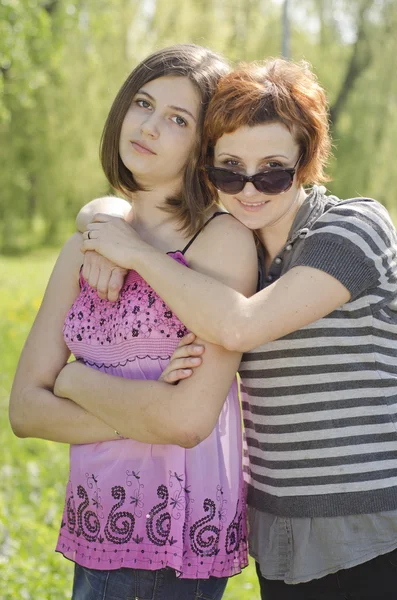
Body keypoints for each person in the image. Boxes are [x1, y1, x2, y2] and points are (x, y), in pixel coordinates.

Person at [79, 58, 397, 599]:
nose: (250, 189)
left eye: (273, 170)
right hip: (280, 535)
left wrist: (131, 252)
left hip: (373, 525)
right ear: (207, 169)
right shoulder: (237, 250)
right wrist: (102, 218)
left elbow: (239, 325)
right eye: (230, 169)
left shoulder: (354, 227)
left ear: (307, 161)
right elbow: (133, 206)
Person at [9, 44, 258, 600]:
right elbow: (25, 409)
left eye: (177, 119)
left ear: (205, 144)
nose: (147, 126)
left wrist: (75, 384)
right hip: (95, 521)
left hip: (175, 538)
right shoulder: (87, 244)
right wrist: (142, 412)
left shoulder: (222, 243)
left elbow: (185, 423)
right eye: (142, 103)